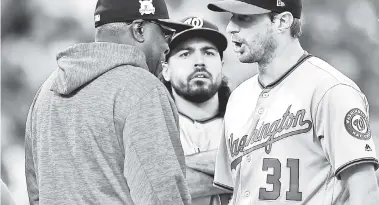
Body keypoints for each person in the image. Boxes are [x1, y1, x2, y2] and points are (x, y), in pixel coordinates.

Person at [207, 0, 379, 204]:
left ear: (282, 21)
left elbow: (365, 192)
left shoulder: (331, 90)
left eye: (244, 18)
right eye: (231, 17)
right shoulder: (238, 98)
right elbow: (228, 194)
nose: (230, 27)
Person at [24, 0, 193, 204]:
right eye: (165, 33)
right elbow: (162, 192)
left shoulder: (46, 92)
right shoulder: (141, 87)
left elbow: (36, 193)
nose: (168, 46)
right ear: (139, 29)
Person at [160, 16, 233, 205]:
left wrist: (172, 166)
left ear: (221, 67)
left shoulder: (247, 122)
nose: (199, 62)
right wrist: (236, 167)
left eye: (209, 53)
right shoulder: (151, 127)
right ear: (165, 70)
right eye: (185, 54)